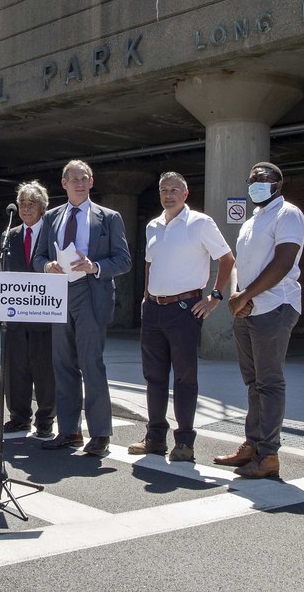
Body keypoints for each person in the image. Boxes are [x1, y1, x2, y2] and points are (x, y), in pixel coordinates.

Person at [128, 172, 235, 461]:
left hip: (184, 309)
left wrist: (215, 297)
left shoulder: (200, 223)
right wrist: (145, 296)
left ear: (185, 194)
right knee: (154, 376)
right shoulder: (153, 226)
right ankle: (154, 437)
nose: (168, 194)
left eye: (175, 189)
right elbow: (150, 264)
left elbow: (227, 258)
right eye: (164, 190)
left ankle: (185, 443)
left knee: (185, 377)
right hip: (153, 309)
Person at [34, 160, 131, 456]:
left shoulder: (109, 217)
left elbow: (124, 260)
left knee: (92, 364)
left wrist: (95, 266)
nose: (79, 183)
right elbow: (38, 257)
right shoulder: (51, 217)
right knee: (62, 365)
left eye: (84, 179)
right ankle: (69, 430)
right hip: (58, 295)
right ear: (63, 183)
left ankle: (100, 434)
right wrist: (47, 266)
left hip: (91, 293)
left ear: (91, 182)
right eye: (73, 179)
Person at [216, 162, 304, 479]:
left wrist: (245, 295)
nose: (256, 183)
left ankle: (269, 455)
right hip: (249, 307)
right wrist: (237, 294)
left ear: (279, 184)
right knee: (253, 382)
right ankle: (252, 445)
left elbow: (283, 262)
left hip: (275, 307)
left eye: (263, 179)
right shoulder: (253, 220)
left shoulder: (288, 214)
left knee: (269, 383)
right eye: (252, 179)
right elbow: (243, 262)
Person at [3, 180, 56, 438]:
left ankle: (45, 418)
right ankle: (19, 416)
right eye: (22, 203)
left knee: (43, 368)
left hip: (43, 313)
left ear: (42, 208)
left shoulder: (52, 233)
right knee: (17, 368)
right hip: (15, 314)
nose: (25, 208)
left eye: (31, 204)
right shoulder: (10, 235)